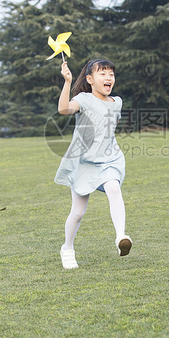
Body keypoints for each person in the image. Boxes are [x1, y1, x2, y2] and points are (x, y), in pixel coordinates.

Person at [54, 58, 132, 269]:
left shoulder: (117, 102)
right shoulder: (83, 99)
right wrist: (67, 82)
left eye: (111, 74)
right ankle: (67, 248)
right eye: (103, 74)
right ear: (90, 79)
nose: (108, 78)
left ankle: (120, 237)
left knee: (114, 188)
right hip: (84, 163)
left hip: (109, 159)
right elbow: (63, 110)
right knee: (78, 213)